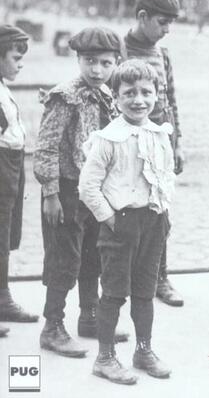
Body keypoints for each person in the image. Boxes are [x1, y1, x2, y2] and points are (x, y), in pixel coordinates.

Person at [33, 27, 128, 358]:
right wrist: (49, 193)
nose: (97, 70)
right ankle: (52, 326)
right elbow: (45, 147)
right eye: (90, 61)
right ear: (77, 59)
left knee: (93, 255)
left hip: (93, 191)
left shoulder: (106, 95)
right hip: (67, 190)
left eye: (105, 63)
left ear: (116, 62)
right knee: (65, 257)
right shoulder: (65, 96)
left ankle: (90, 318)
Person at [79, 59, 174, 385]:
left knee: (145, 292)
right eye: (129, 92)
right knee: (115, 293)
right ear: (115, 96)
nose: (138, 99)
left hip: (153, 222)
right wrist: (109, 219)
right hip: (120, 225)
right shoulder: (107, 139)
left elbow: (164, 176)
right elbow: (87, 187)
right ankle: (105, 358)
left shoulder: (159, 133)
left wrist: (164, 214)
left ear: (157, 95)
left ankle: (143, 350)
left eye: (146, 92)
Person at [118, 0, 184, 307]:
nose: (167, 30)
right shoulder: (118, 50)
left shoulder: (164, 54)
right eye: (162, 22)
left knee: (161, 215)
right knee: (128, 212)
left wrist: (178, 143)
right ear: (142, 16)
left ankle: (160, 277)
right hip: (128, 147)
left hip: (160, 147)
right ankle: (125, 279)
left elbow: (171, 101)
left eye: (172, 23)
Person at [0, 24, 38, 336]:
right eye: (15, 57)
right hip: (2, 165)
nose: (20, 63)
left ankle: (2, 298)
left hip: (11, 165)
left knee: (5, 233)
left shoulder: (3, 88)